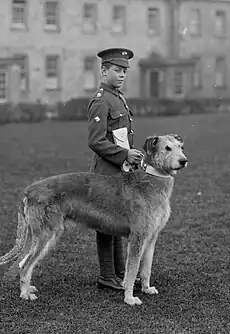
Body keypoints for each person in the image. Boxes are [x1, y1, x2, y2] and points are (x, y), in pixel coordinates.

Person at [87, 48, 143, 290]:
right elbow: (96, 141)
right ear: (103, 71)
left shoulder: (118, 97)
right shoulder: (101, 100)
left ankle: (120, 272)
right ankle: (107, 276)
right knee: (105, 225)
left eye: (124, 72)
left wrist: (130, 158)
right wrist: (125, 154)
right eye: (117, 70)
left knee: (118, 222)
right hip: (106, 174)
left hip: (121, 171)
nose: (121, 75)